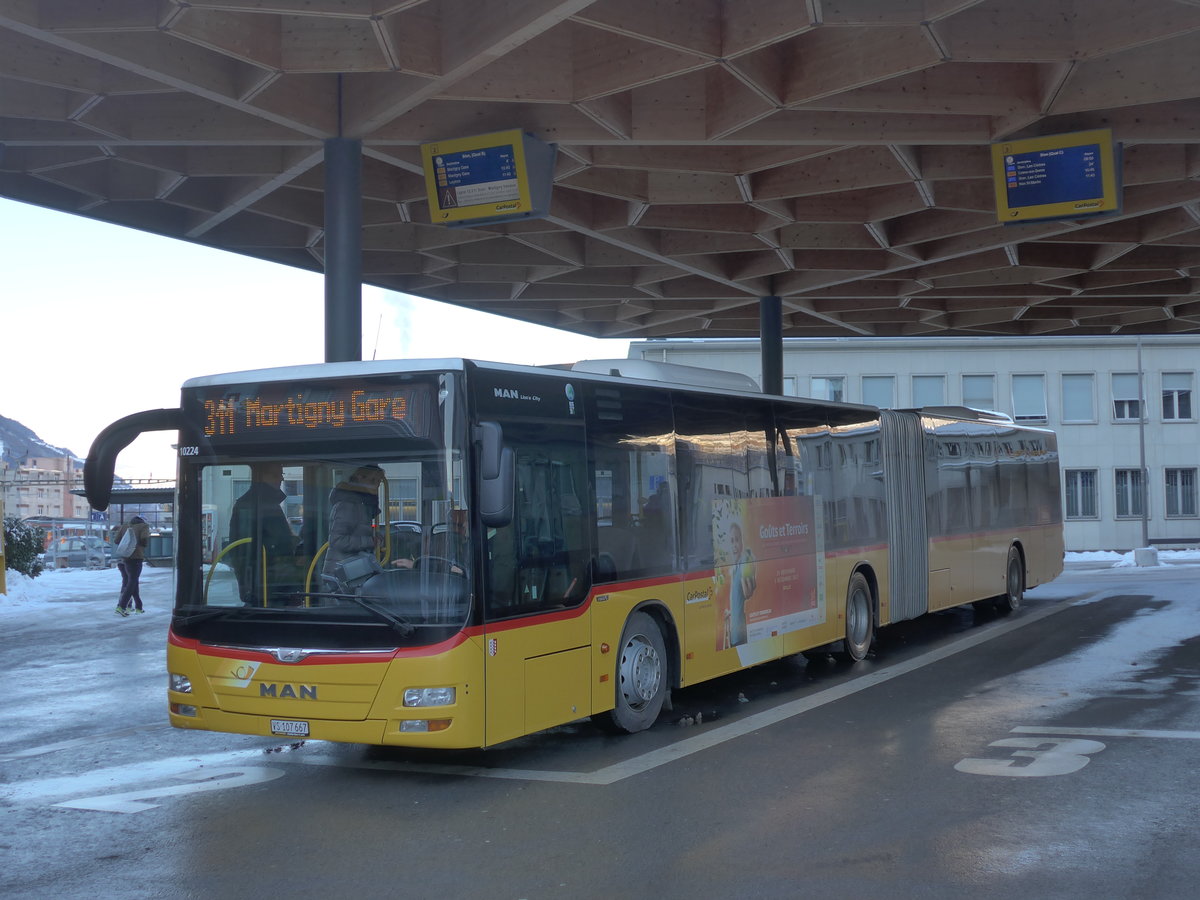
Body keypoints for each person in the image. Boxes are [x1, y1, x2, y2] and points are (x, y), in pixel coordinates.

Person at [229, 462, 297, 603]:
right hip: (268, 590)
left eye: (281, 474)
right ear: (260, 477)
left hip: (274, 586)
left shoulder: (269, 503)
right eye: (275, 475)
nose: (281, 479)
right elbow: (244, 553)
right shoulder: (250, 506)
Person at [322, 464, 385, 581]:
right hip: (341, 575)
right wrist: (370, 541)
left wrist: (375, 538)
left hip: (350, 571)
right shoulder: (348, 504)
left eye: (378, 482)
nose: (376, 486)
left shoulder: (361, 505)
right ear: (360, 478)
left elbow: (357, 531)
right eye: (372, 481)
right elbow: (337, 540)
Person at [113, 515, 150, 617]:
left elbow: (116, 540)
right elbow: (144, 539)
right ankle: (121, 606)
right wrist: (142, 545)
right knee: (132, 581)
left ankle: (139, 607)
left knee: (133, 581)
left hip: (126, 557)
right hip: (136, 557)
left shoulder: (125, 526)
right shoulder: (144, 526)